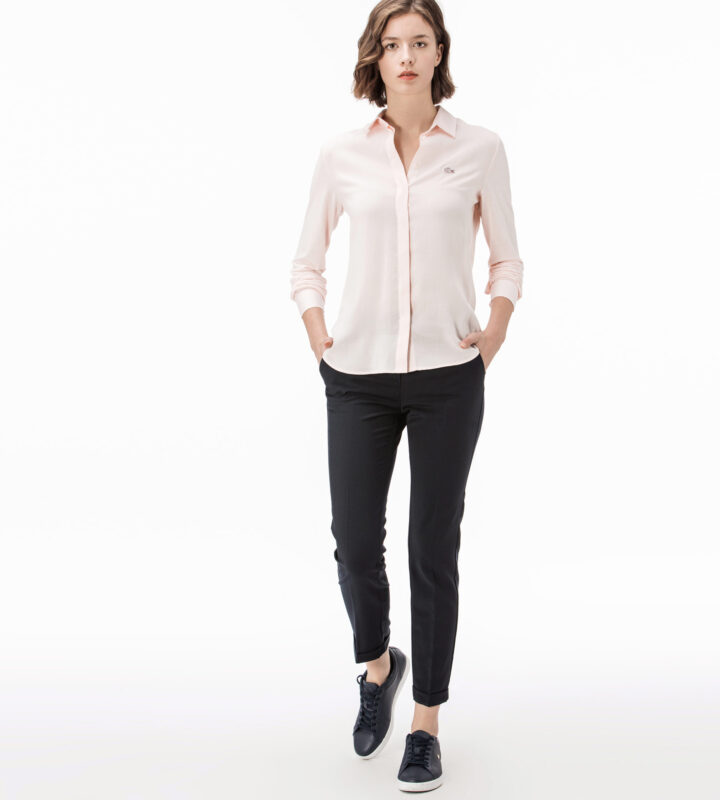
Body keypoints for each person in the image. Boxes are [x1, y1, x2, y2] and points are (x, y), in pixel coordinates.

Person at [289, 0, 524, 792]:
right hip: (356, 378)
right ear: (377, 58)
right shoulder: (342, 155)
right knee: (355, 541)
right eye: (393, 44)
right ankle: (378, 665)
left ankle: (425, 722)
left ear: (439, 52)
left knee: (432, 548)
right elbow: (306, 262)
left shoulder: (480, 149)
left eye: (421, 42)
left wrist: (491, 335)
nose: (408, 56)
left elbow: (508, 260)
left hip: (448, 379)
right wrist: (321, 337)